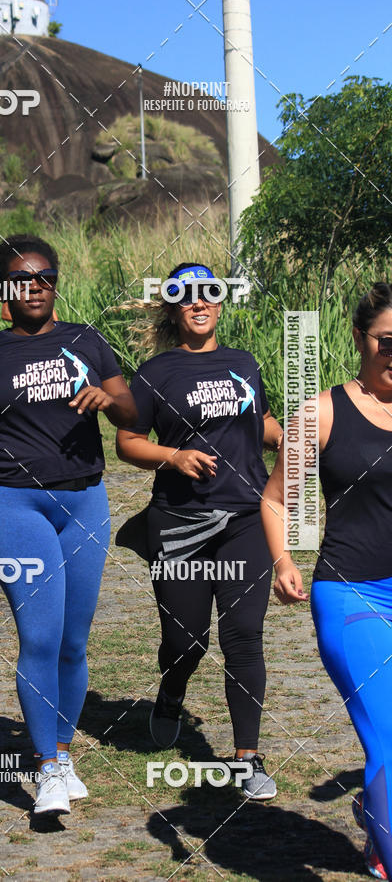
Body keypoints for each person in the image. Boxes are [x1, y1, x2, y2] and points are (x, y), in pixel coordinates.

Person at [0, 233, 137, 815]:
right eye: (23, 279)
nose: (36, 286)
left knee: (73, 642)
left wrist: (109, 400)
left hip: (85, 504)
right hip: (15, 506)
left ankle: (64, 753)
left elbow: (132, 412)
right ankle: (46, 768)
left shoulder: (87, 341)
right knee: (40, 637)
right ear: (5, 289)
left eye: (45, 276)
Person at [116, 263, 283, 800]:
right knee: (186, 639)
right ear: (172, 308)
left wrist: (292, 436)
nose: (199, 302)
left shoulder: (244, 363)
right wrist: (173, 456)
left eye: (208, 291)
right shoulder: (155, 373)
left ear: (219, 301)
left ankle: (247, 759)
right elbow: (127, 441)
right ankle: (171, 692)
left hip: (245, 519)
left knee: (244, 636)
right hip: (180, 524)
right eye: (186, 295)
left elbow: (259, 421)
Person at [261, 282, 392, 880]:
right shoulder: (322, 413)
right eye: (387, 341)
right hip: (352, 591)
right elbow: (275, 498)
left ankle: (374, 812)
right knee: (386, 737)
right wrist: (283, 560)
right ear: (360, 339)